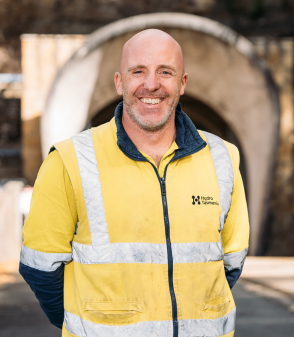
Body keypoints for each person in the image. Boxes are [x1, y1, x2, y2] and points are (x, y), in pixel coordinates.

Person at [19, 29, 249, 337]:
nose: (151, 83)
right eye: (138, 71)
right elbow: (40, 269)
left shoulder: (223, 158)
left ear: (182, 83)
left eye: (165, 72)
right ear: (119, 82)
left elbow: (230, 263)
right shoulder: (69, 161)